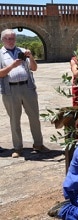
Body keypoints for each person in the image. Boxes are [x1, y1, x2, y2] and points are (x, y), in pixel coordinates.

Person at [0, 29, 49, 158]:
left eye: (13, 38)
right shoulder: (0, 54)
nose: (11, 41)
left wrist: (31, 57)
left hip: (27, 88)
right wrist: (12, 66)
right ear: (3, 40)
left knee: (34, 117)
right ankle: (17, 148)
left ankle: (38, 144)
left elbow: (34, 68)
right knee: (14, 120)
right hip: (10, 90)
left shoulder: (22, 51)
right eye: (8, 39)